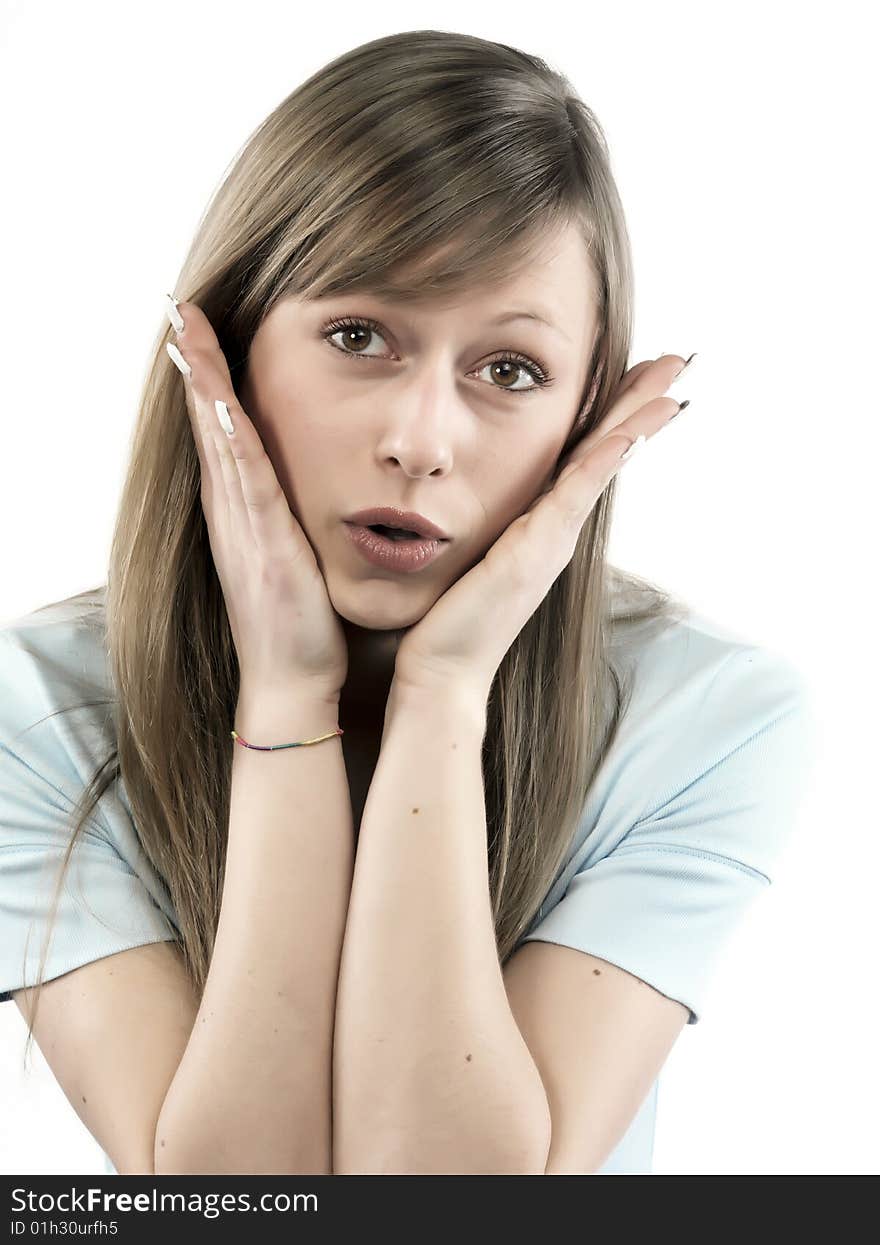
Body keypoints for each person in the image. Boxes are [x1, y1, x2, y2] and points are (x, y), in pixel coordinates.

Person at [0, 30, 814, 1176]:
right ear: (225, 348)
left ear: (588, 415)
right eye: (357, 336)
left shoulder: (705, 713)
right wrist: (287, 695)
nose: (420, 442)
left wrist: (441, 701)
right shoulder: (36, 706)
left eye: (509, 371)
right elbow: (239, 1204)